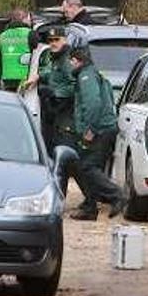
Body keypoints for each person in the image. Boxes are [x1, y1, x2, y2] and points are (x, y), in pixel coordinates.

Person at [68, 47, 126, 221]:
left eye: (71, 61)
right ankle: (90, 206)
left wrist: (90, 130)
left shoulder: (86, 76)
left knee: (88, 167)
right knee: (88, 167)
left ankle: (117, 195)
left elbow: (93, 104)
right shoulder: (94, 73)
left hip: (100, 130)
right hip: (106, 128)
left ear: (77, 60)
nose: (69, 64)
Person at [22, 27, 76, 153]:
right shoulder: (57, 57)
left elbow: (74, 85)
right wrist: (39, 76)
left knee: (61, 151)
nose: (53, 43)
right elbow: (53, 73)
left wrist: (55, 93)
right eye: (50, 40)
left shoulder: (67, 60)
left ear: (65, 40)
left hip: (66, 112)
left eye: (57, 40)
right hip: (56, 112)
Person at [0, 8, 32, 91]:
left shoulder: (2, 36)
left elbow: (0, 57)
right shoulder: (30, 33)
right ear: (25, 19)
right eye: (29, 18)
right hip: (25, 76)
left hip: (7, 77)